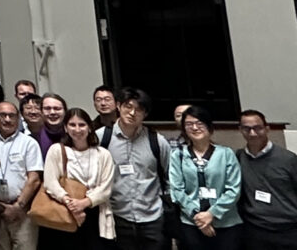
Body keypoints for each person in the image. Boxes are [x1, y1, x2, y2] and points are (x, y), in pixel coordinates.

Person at [94, 87, 172, 250]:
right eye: (128, 106)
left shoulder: (157, 141)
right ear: (118, 106)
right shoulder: (101, 138)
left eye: (139, 109)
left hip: (153, 218)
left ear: (145, 114)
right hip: (117, 217)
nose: (132, 113)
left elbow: (170, 177)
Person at [39, 108, 116, 247]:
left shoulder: (103, 154)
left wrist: (85, 203)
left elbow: (106, 187)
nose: (77, 129)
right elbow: (50, 183)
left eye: (82, 125)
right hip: (65, 211)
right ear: (65, 128)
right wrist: (71, 204)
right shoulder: (57, 150)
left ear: (90, 128)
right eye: (72, 125)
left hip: (95, 212)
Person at [170, 106, 242, 250]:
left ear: (209, 126)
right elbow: (177, 190)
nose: (195, 128)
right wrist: (198, 217)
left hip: (225, 222)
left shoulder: (226, 153)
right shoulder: (178, 155)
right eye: (189, 124)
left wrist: (212, 214)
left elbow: (234, 189)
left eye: (200, 123)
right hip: (191, 223)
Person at [0, 101, 43, 250]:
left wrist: (17, 206)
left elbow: (34, 179)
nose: (7, 119)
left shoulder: (29, 143)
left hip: (23, 211)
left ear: (19, 118)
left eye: (12, 116)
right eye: (3, 115)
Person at [235, 109, 297, 250]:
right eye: (247, 129)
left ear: (267, 129)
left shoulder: (288, 159)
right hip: (256, 230)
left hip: (289, 230)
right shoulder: (238, 158)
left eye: (257, 128)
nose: (252, 133)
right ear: (240, 130)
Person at [35, 94, 69, 159]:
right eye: (47, 108)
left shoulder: (74, 135)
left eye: (57, 108)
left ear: (65, 111)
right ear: (41, 112)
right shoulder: (34, 139)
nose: (52, 112)